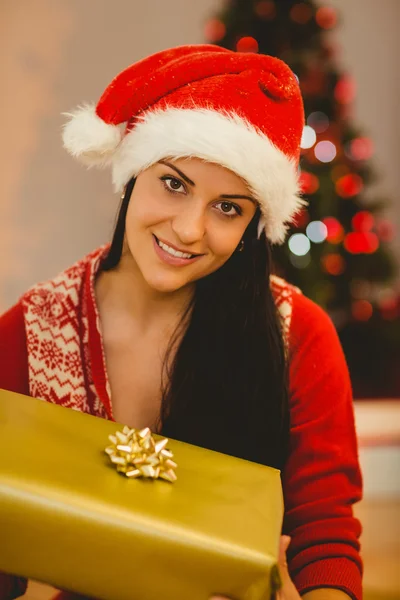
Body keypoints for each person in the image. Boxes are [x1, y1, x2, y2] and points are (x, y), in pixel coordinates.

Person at [0, 45, 362, 600]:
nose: (190, 229)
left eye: (228, 207)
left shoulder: (298, 333)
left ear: (252, 224)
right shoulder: (30, 330)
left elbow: (326, 535)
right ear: (132, 175)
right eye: (174, 183)